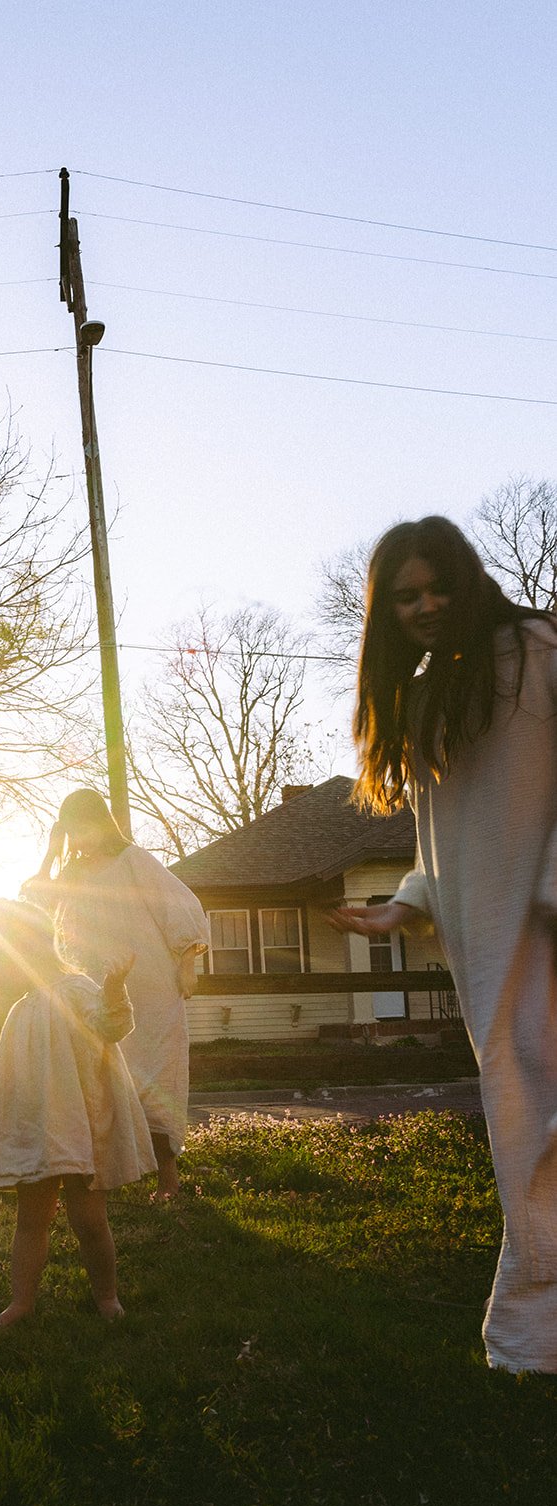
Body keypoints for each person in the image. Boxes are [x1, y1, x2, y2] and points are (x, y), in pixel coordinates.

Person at [327, 515, 557, 1373]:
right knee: (521, 1111)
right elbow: (437, 832)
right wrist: (405, 903)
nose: (424, 607)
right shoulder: (423, 698)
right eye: (404, 597)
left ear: (469, 583)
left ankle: (530, 1338)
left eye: (437, 588)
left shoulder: (535, 649)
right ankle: (532, 1339)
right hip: (487, 939)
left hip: (546, 916)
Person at [0, 898, 155, 1327]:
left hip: (80, 1124)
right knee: (30, 1219)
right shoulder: (23, 1006)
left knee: (88, 1219)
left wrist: (113, 986)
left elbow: (113, 1026)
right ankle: (22, 1303)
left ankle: (107, 1297)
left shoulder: (76, 990)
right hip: (37, 1130)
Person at [24, 789, 209, 1198]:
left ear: (101, 823)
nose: (79, 837)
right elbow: (34, 903)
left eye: (83, 828)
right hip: (97, 991)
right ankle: (100, 1178)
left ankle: (168, 1180)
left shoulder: (134, 860)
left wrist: (187, 961)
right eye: (71, 831)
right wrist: (52, 853)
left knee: (156, 1078)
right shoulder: (72, 874)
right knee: (101, 1077)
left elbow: (179, 903)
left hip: (151, 989)